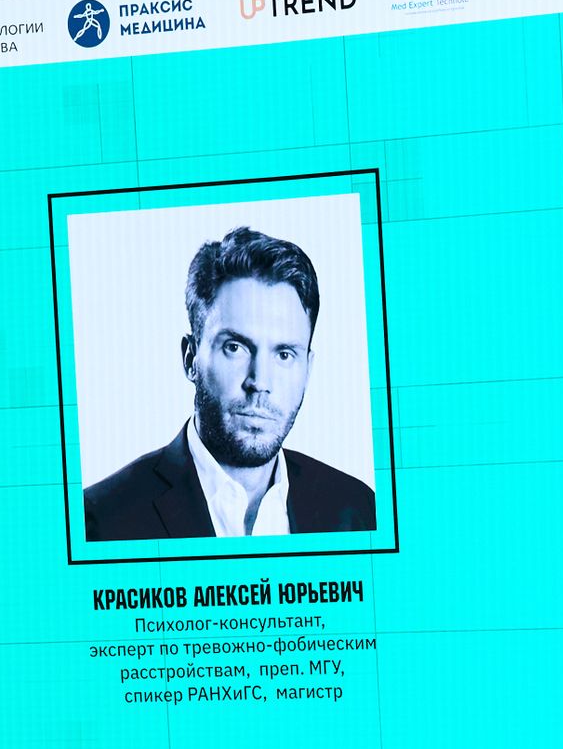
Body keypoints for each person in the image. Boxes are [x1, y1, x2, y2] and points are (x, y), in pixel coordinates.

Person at [83, 225, 377, 542]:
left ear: (308, 369)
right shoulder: (100, 521)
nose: (260, 382)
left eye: (284, 354)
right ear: (191, 358)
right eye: (235, 348)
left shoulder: (358, 510)